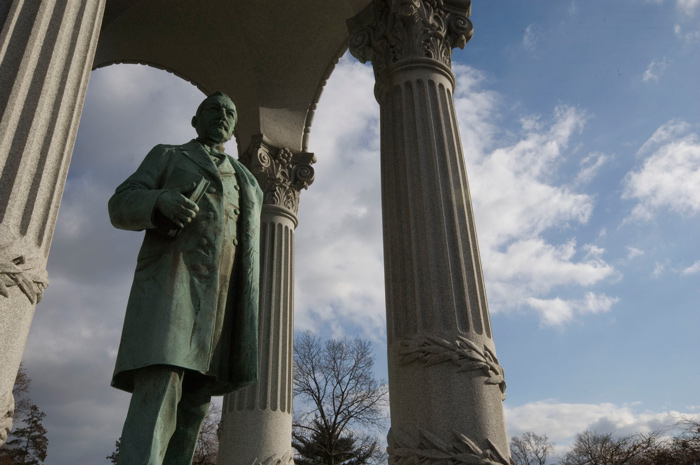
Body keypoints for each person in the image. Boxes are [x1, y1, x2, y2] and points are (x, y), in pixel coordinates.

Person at [108, 92, 262, 464]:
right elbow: (120, 204)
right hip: (172, 288)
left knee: (195, 406)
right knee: (160, 389)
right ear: (195, 120)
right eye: (214, 109)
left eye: (230, 112)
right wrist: (158, 201)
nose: (222, 116)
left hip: (223, 303)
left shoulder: (246, 179)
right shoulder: (169, 155)